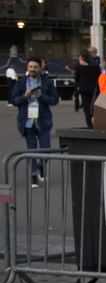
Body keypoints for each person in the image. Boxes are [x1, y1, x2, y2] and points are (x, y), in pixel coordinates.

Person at [10, 56, 59, 187]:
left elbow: (55, 100)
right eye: (30, 67)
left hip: (43, 121)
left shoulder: (47, 82)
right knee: (31, 151)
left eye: (35, 67)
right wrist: (24, 96)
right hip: (27, 122)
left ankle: (41, 167)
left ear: (40, 68)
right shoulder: (21, 83)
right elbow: (13, 100)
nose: (32, 69)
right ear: (27, 67)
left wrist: (42, 96)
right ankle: (34, 176)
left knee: (46, 150)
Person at [73, 50, 102, 128]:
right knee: (94, 105)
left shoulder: (79, 66)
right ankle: (95, 122)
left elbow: (76, 78)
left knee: (86, 107)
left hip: (84, 89)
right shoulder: (94, 66)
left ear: (81, 57)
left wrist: (77, 88)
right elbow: (99, 73)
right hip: (94, 88)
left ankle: (89, 124)